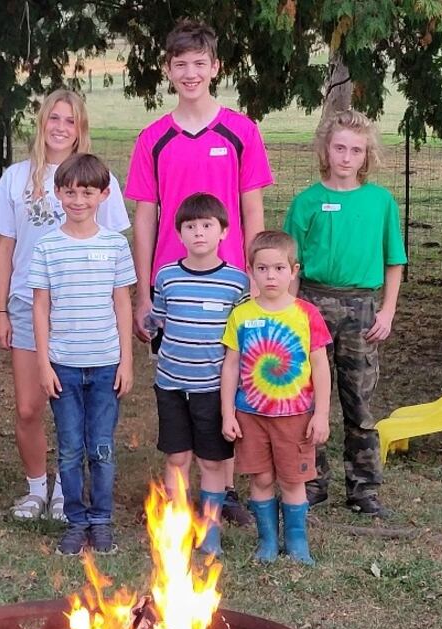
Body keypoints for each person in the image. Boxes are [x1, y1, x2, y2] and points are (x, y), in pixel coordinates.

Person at [124, 19, 274, 525]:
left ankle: (223, 492)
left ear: (216, 68)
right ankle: (180, 501)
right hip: (174, 288)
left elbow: (252, 210)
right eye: (180, 63)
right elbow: (144, 216)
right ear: (168, 70)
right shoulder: (153, 138)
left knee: (225, 383)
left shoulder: (241, 131)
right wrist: (144, 291)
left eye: (199, 63)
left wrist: (255, 275)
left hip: (230, 285)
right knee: (179, 386)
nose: (190, 72)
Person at [0, 89, 131, 522]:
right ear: (42, 123)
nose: (60, 127)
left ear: (80, 126)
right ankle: (36, 489)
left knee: (79, 412)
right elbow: (4, 249)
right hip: (30, 307)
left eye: (70, 120)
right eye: (54, 118)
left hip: (84, 312)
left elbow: (114, 251)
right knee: (29, 406)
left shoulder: (98, 178)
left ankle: (69, 494)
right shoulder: (16, 178)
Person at [284, 109, 407, 517]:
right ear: (326, 148)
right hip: (312, 306)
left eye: (356, 150)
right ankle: (311, 479)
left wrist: (387, 310)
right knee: (308, 398)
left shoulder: (380, 202)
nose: (346, 157)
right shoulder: (307, 202)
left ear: (367, 154)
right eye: (339, 147)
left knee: (359, 402)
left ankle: (364, 487)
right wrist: (289, 313)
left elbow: (394, 261)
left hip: (361, 308)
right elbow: (290, 266)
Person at [28, 153, 135, 555]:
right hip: (64, 367)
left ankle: (101, 520)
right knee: (71, 448)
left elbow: (122, 303)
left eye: (87, 193)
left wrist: (126, 360)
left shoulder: (113, 245)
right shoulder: (47, 247)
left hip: (106, 364)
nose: (77, 200)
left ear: (104, 195)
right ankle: (75, 521)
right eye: (70, 192)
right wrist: (43, 363)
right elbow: (40, 306)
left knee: (102, 447)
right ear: (57, 194)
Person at [221, 231, 332, 564]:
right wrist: (227, 413)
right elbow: (230, 368)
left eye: (279, 268)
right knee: (262, 477)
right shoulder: (241, 315)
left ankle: (297, 542)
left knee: (293, 479)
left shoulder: (306, 314)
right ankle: (267, 541)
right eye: (263, 268)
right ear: (250, 270)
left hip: (295, 416)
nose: (271, 276)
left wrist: (322, 414)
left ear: (294, 270)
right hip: (250, 415)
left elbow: (321, 368)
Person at [150, 193, 249, 555]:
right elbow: (158, 320)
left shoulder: (238, 283)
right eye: (190, 227)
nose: (199, 234)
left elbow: (241, 338)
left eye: (207, 226)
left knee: (212, 461)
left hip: (213, 387)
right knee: (177, 459)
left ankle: (209, 533)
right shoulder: (167, 276)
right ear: (179, 234)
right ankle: (176, 530)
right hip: (171, 384)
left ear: (223, 231)